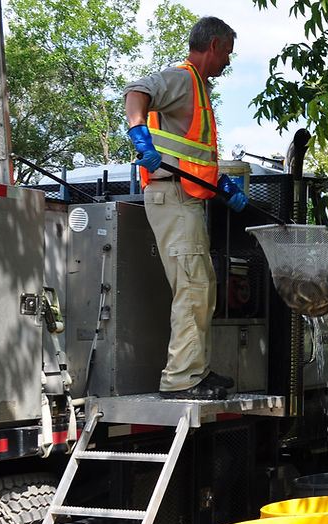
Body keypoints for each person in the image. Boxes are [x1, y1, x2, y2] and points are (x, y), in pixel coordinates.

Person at [124, 16, 247, 400]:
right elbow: (135, 92)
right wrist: (137, 132)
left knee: (202, 287)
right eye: (227, 52)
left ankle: (196, 371)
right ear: (213, 45)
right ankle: (181, 379)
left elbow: (187, 153)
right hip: (173, 197)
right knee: (193, 288)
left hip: (186, 196)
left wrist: (219, 184)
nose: (228, 61)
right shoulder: (182, 78)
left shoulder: (198, 87)